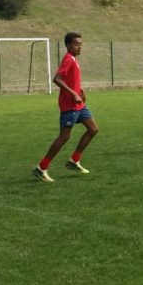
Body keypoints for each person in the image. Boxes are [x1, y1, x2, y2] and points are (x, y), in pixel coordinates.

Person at [32, 32, 99, 183]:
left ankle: (74, 161)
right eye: (76, 44)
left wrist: (79, 90)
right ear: (68, 45)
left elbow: (71, 79)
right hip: (69, 105)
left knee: (93, 129)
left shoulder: (74, 59)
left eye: (81, 44)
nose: (79, 47)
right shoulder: (68, 59)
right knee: (64, 136)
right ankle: (41, 168)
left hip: (79, 105)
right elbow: (57, 79)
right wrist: (73, 94)